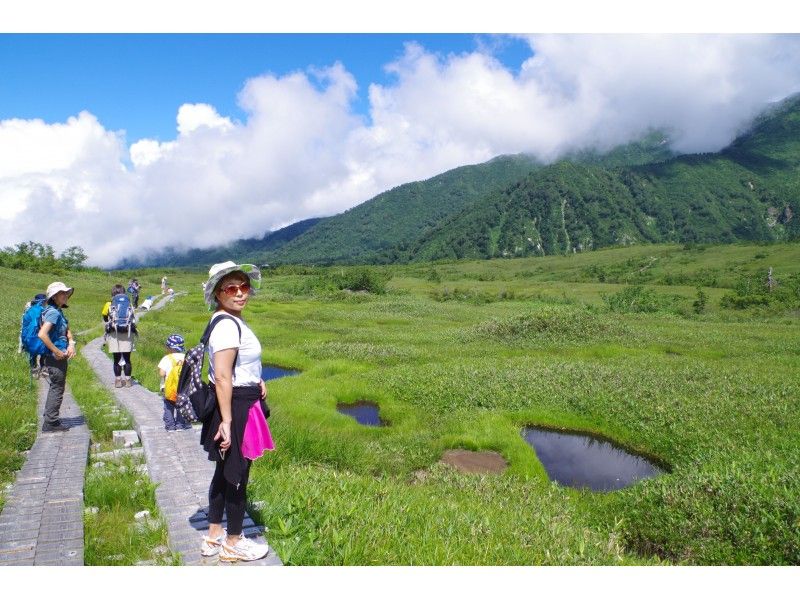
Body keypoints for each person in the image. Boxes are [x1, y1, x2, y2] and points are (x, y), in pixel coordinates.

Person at [199, 261, 273, 563]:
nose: (240, 293)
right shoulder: (228, 325)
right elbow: (222, 376)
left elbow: (235, 367)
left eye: (244, 287)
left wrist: (256, 378)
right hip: (236, 406)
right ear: (218, 293)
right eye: (232, 288)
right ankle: (233, 542)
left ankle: (214, 535)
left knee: (223, 471)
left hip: (237, 398)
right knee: (237, 473)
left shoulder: (225, 320)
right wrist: (228, 422)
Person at [37, 282, 76, 432]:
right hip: (55, 358)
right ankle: (51, 423)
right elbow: (42, 334)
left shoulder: (57, 311)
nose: (65, 295)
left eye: (66, 293)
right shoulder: (53, 313)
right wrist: (57, 351)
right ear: (54, 296)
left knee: (56, 386)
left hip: (56, 356)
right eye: (62, 293)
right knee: (57, 388)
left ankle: (49, 417)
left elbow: (66, 330)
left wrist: (71, 344)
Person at [158, 334, 192, 431]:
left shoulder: (167, 358)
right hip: (183, 388)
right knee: (181, 406)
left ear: (170, 347)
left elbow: (161, 373)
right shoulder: (186, 357)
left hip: (169, 389)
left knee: (169, 407)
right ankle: (180, 425)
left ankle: (170, 426)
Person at [105, 284, 136, 388]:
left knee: (116, 358)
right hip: (128, 332)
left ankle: (118, 381)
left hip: (115, 333)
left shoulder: (109, 303)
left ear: (113, 292)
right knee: (127, 358)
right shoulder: (129, 303)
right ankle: (128, 380)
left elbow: (105, 317)